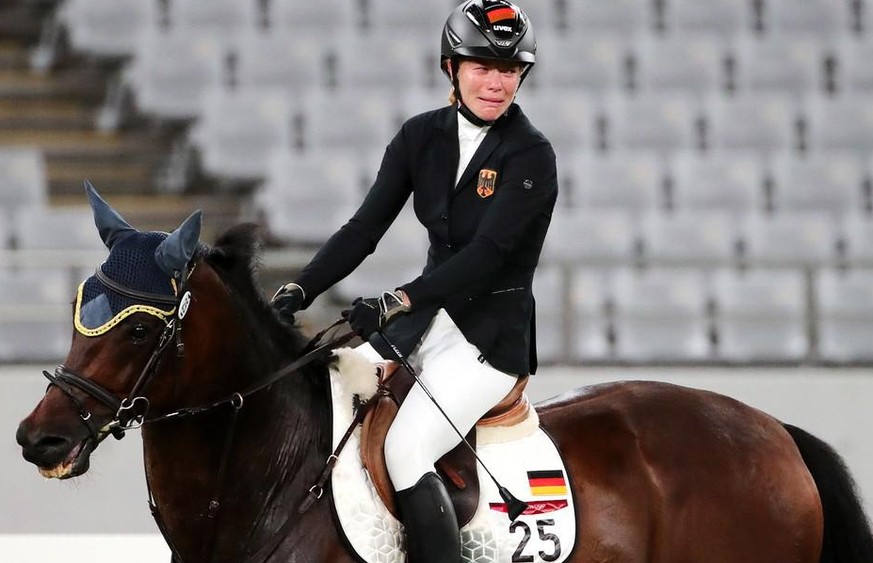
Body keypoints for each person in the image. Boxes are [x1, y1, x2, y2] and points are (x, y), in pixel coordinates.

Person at [271, 1, 556, 560]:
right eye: (482, 66)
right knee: (326, 400)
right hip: (428, 321)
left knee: (405, 450)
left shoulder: (531, 154)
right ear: (451, 67)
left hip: (490, 339)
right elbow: (362, 229)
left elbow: (489, 254)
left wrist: (395, 300)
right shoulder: (420, 137)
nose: (497, 84)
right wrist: (297, 291)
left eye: (509, 70)